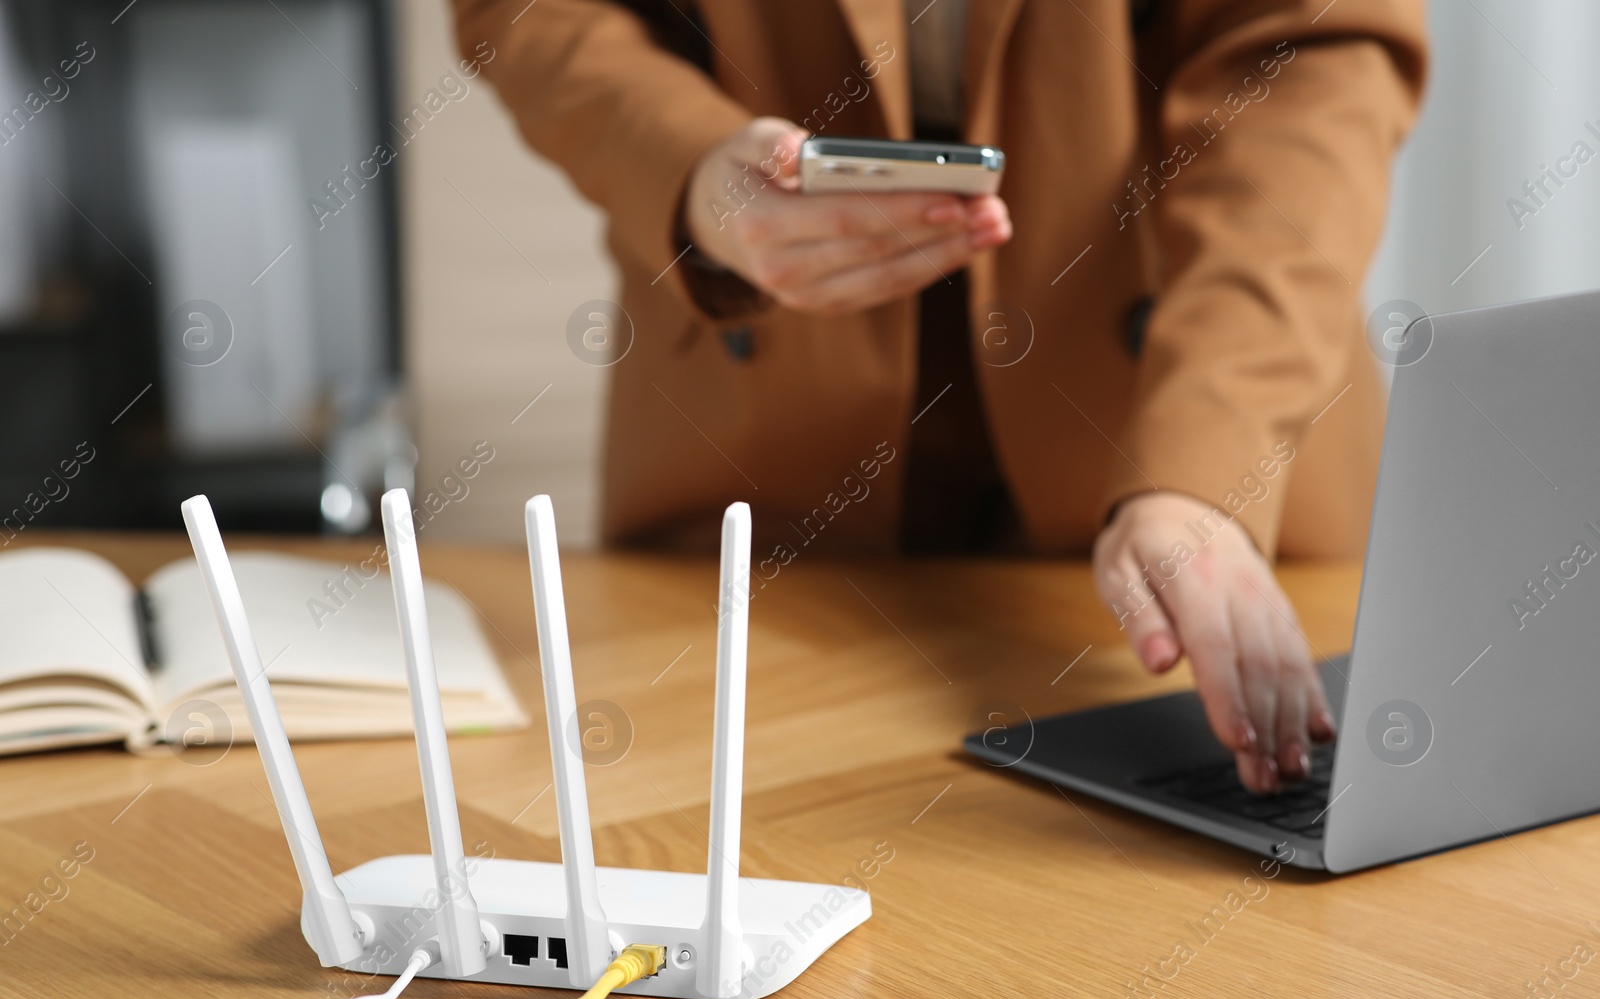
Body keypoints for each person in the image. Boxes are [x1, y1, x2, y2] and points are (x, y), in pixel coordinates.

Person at [455, 0, 1427, 793]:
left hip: (1190, 383)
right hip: (770, 402)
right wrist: (686, 163)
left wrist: (1211, 453)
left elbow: (1314, 43)